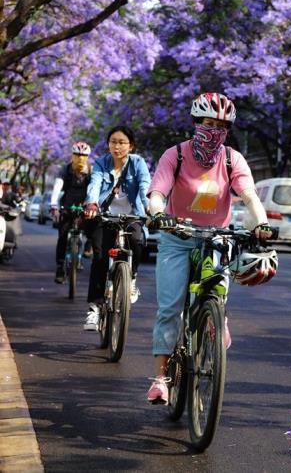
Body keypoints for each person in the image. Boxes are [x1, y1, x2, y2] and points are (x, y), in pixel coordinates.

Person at [146, 92, 275, 405]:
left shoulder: (232, 159)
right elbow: (157, 194)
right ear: (195, 123)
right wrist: (159, 214)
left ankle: (217, 320)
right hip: (177, 238)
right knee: (170, 309)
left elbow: (249, 196)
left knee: (215, 293)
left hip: (217, 238)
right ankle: (161, 378)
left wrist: (261, 224)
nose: (213, 130)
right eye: (207, 122)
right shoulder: (174, 155)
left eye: (221, 125)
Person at [83, 125, 151, 331]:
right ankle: (94, 308)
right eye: (113, 142)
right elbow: (94, 184)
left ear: (131, 146)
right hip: (104, 216)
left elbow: (144, 186)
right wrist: (92, 203)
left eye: (122, 142)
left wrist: (150, 207)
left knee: (138, 241)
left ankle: (132, 278)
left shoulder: (138, 163)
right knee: (101, 258)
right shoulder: (101, 163)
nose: (117, 146)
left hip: (132, 214)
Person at [50, 141, 92, 284]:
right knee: (62, 236)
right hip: (67, 207)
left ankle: (88, 246)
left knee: (94, 226)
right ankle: (60, 267)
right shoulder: (65, 170)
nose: (80, 158)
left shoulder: (91, 171)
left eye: (83, 155)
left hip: (85, 207)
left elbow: (95, 189)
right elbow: (57, 187)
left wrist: (93, 205)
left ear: (88, 157)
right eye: (77, 155)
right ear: (72, 155)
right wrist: (54, 205)